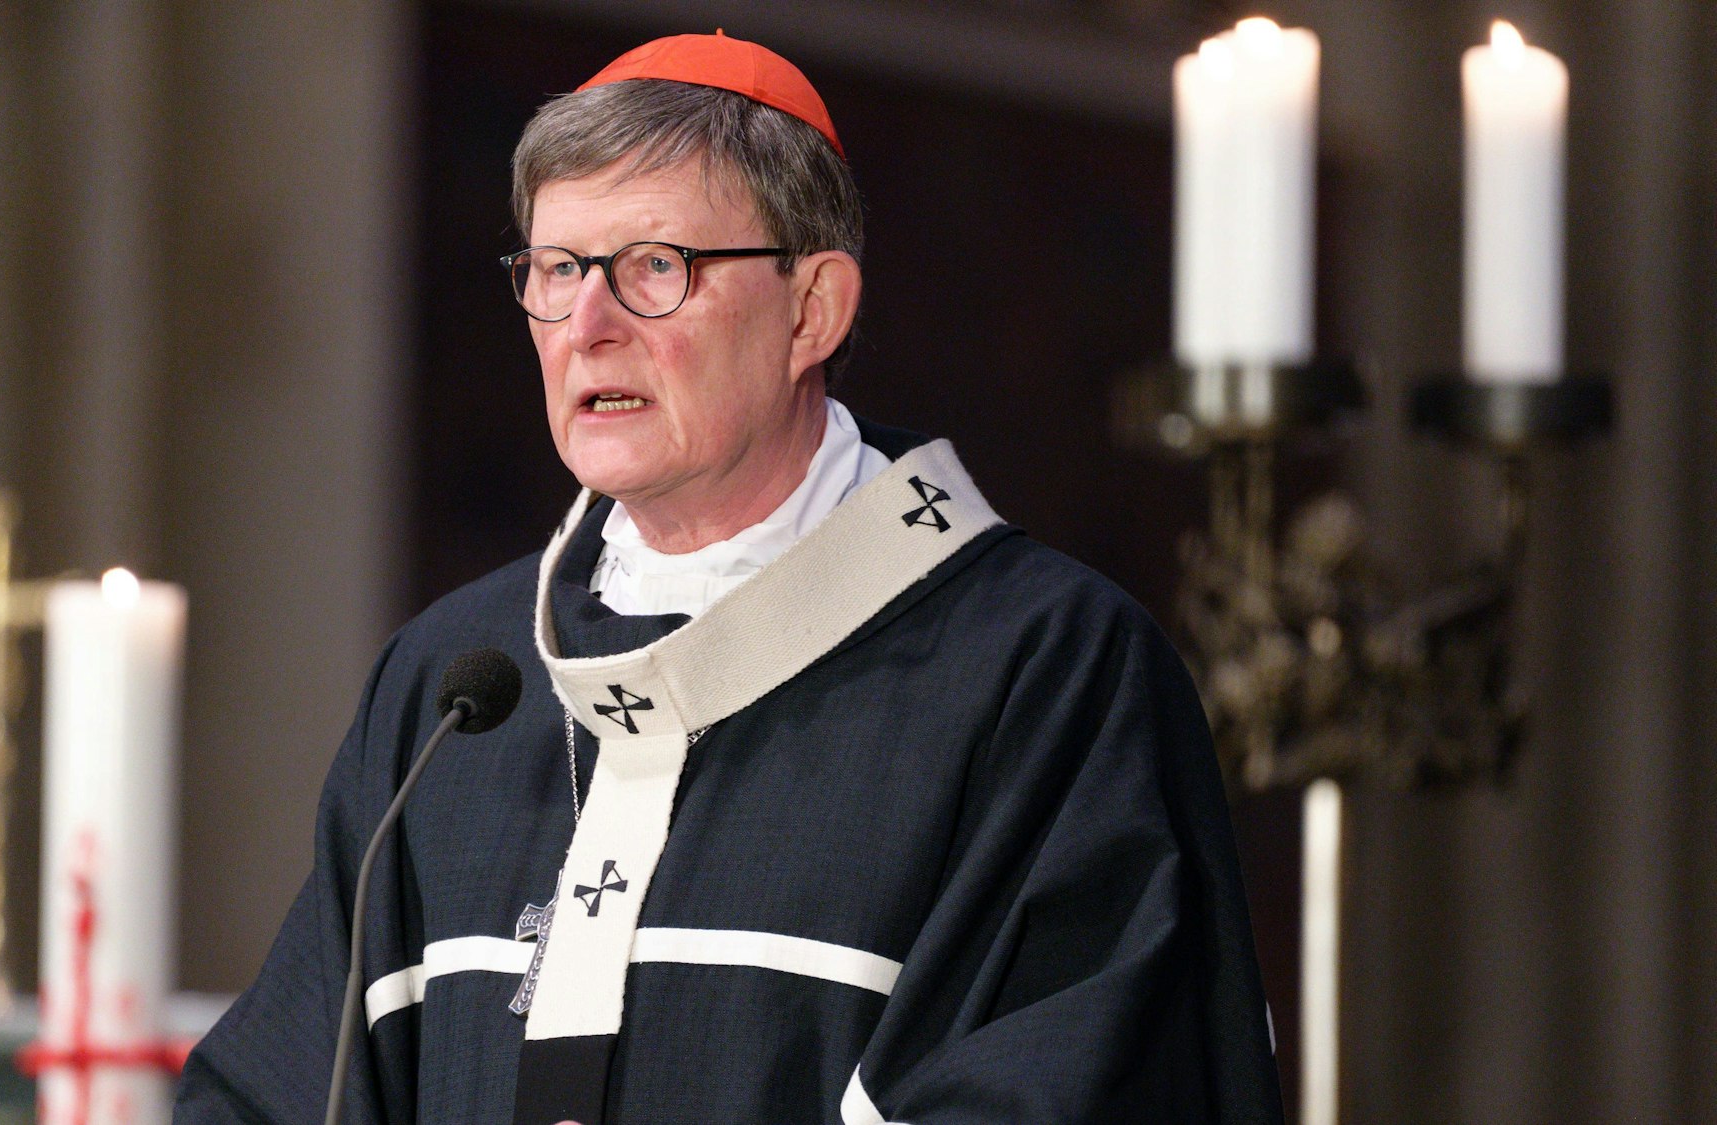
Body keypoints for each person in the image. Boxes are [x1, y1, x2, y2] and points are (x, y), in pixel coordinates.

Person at [177, 31, 1282, 1125]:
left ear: (812, 309)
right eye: (556, 271)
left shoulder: (1037, 668)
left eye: (654, 268)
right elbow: (272, 1092)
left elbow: (1079, 1080)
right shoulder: (451, 687)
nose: (588, 328)